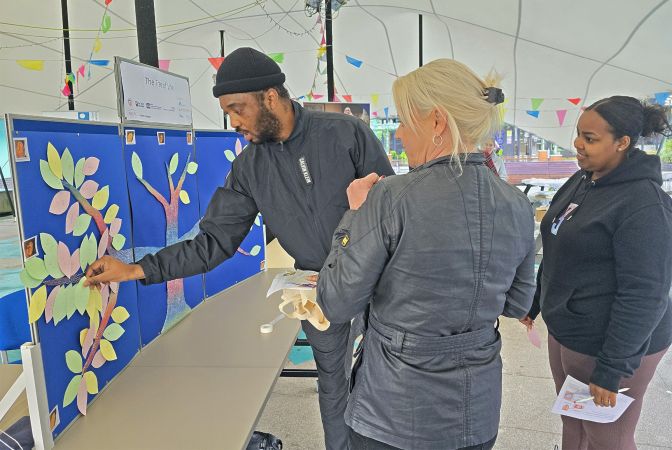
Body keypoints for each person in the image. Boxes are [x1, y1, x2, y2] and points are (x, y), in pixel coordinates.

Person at [84, 47, 394, 450]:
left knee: (388, 381)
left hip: (380, 284)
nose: (233, 122)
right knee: (333, 387)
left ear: (269, 97)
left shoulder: (344, 134)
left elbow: (391, 209)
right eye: (228, 113)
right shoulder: (249, 168)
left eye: (237, 109)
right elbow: (214, 242)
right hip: (318, 293)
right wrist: (136, 269)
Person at [316, 59, 536, 449]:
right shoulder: (515, 204)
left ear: (436, 121)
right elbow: (518, 302)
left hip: (395, 411)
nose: (399, 134)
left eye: (403, 120)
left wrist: (354, 215)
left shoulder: (390, 197)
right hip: (477, 410)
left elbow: (335, 302)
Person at [521, 96, 672, 450]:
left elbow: (645, 294)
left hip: (614, 343)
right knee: (574, 422)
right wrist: (536, 301)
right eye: (578, 135)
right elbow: (558, 242)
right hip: (571, 329)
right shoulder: (584, 179)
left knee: (608, 437)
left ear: (622, 143)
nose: (577, 144)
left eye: (590, 138)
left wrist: (612, 368)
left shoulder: (644, 204)